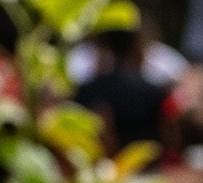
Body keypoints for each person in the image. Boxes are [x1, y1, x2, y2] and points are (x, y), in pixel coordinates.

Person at [74, 27, 182, 157]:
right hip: (151, 169)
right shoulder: (157, 94)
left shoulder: (86, 91)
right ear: (136, 47)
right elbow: (172, 139)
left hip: (101, 169)